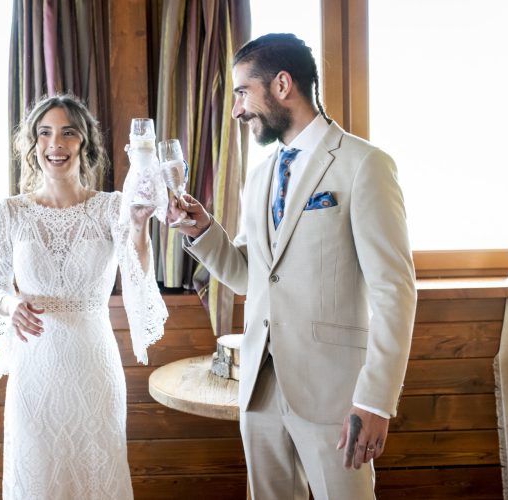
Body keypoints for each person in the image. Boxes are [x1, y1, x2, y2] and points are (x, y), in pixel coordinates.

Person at [170, 33, 417, 499]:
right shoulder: (260, 175)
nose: (237, 109)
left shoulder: (365, 166)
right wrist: (201, 230)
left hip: (335, 396)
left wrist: (375, 401)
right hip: (260, 390)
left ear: (283, 84)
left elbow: (394, 292)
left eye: (243, 92)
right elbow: (250, 274)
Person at [0, 94, 167, 499]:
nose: (54, 144)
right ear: (33, 144)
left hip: (93, 364)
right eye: (44, 134)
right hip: (34, 367)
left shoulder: (111, 207)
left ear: (85, 144)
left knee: (96, 472)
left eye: (67, 133)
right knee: (39, 477)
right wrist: (12, 305)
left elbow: (138, 274)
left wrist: (138, 227)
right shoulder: (10, 212)